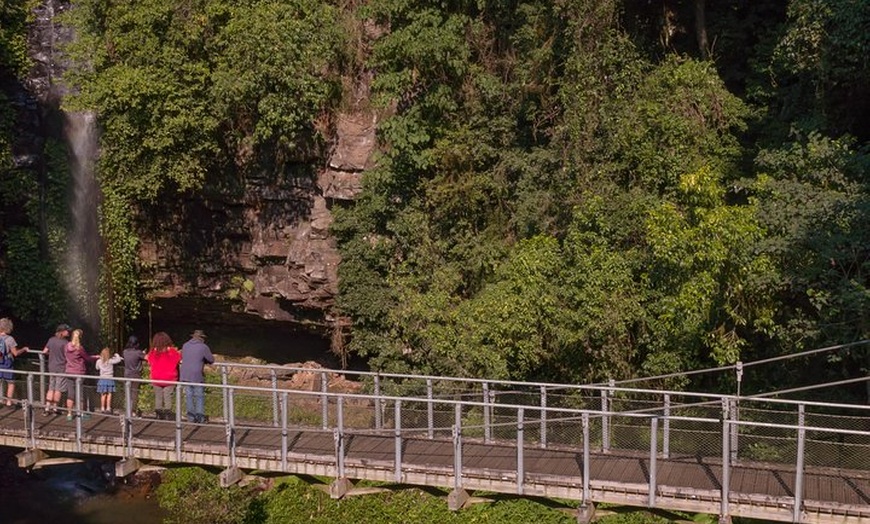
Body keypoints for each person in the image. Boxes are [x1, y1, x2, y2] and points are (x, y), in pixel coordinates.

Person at [180, 329, 214, 423]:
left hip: (185, 374)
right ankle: (200, 417)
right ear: (201, 338)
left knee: (189, 396)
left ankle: (191, 418)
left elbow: (182, 356)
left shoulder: (185, 345)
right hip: (197, 375)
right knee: (199, 396)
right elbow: (211, 359)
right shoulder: (203, 347)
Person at [146, 331, 181, 420]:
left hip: (156, 378)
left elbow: (149, 360)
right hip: (169, 378)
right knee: (168, 396)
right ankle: (168, 413)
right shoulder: (171, 352)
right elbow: (178, 358)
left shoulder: (153, 352)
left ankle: (158, 413)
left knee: (158, 396)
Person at [64, 328, 97, 420]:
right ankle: (81, 414)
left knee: (70, 394)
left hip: (69, 372)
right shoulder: (79, 348)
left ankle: (69, 414)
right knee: (80, 394)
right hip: (79, 372)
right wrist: (95, 357)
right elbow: (87, 358)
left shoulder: (67, 346)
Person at [42, 323, 71, 415]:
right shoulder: (66, 343)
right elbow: (68, 355)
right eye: (67, 331)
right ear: (62, 332)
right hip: (61, 367)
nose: (68, 332)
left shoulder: (51, 340)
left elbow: (44, 351)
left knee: (51, 386)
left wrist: (51, 354)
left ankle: (47, 408)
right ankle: (55, 408)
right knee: (58, 388)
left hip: (51, 366)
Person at [0, 317, 29, 408]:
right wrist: (24, 349)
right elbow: (15, 353)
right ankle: (9, 402)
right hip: (7, 363)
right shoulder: (10, 339)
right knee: (11, 383)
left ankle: (0, 399)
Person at [122, 335, 145, 417]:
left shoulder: (125, 352)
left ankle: (127, 410)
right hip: (135, 375)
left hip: (127, 374)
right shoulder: (138, 353)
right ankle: (133, 411)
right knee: (134, 393)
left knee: (127, 392)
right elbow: (147, 358)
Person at [95, 347, 123, 414]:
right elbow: (118, 360)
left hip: (102, 379)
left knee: (103, 394)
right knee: (109, 394)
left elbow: (97, 368)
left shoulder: (99, 361)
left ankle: (102, 407)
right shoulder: (110, 361)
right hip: (110, 379)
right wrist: (117, 355)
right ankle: (108, 407)